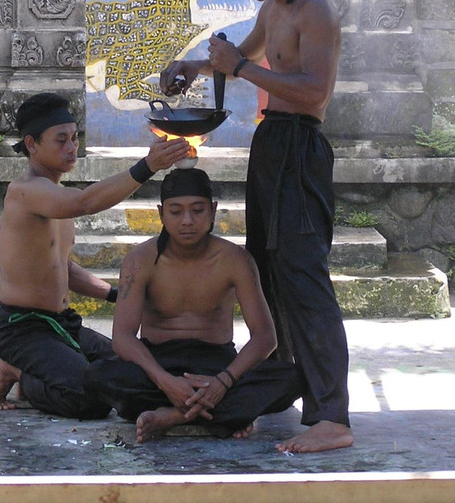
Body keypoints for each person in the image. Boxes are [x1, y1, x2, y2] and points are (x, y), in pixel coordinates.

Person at [159, 0, 354, 453]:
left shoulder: (318, 13)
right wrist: (197, 67)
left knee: (304, 277)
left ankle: (332, 415)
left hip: (302, 147)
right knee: (267, 273)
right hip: (270, 147)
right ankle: (290, 388)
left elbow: (313, 93)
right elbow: (242, 56)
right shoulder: (271, 8)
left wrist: (239, 69)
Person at [0, 92, 190, 419]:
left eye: (74, 138)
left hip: (64, 323)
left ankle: (36, 370)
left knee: (136, 372)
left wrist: (115, 295)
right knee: (90, 401)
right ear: (32, 144)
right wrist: (149, 165)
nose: (72, 147)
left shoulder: (54, 195)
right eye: (61, 140)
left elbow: (62, 268)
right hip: (23, 330)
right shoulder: (25, 191)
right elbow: (84, 203)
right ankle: (12, 369)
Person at [84, 168, 302, 443]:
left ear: (213, 211)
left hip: (216, 363)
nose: (187, 221)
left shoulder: (235, 259)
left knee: (294, 377)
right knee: (97, 376)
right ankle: (223, 416)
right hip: (158, 364)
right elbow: (123, 338)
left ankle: (172, 416)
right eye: (176, 212)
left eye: (197, 210)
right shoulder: (139, 260)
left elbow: (265, 337)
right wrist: (166, 382)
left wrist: (224, 381)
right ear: (161, 213)